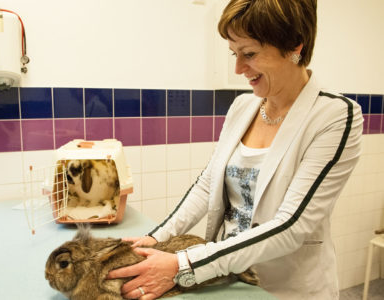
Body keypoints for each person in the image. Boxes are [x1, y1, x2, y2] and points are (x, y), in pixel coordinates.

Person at [107, 0, 363, 299]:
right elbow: (207, 185)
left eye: (250, 54)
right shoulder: (243, 107)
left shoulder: (335, 116)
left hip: (286, 288)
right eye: (234, 53)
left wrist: (182, 264)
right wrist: (155, 238)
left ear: (295, 46)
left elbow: (292, 225)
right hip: (225, 276)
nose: (239, 68)